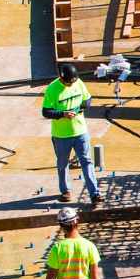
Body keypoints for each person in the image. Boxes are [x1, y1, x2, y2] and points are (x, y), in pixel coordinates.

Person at [41, 62, 101, 205]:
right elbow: (46, 112)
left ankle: (95, 194)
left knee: (87, 162)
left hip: (80, 132)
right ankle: (66, 190)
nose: (70, 85)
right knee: (62, 164)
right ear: (62, 78)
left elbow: (88, 99)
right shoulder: (52, 89)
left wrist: (81, 108)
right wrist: (63, 114)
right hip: (61, 135)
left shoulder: (78, 82)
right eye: (68, 83)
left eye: (72, 82)